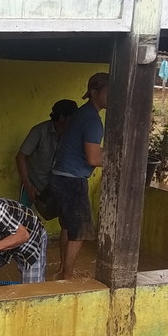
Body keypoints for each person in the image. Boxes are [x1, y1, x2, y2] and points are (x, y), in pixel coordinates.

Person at [49, 72, 109, 280]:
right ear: (94, 93)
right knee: (80, 230)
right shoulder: (93, 120)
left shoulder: (82, 114)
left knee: (68, 225)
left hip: (59, 176)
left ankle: (61, 271)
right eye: (109, 91)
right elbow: (93, 158)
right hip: (72, 179)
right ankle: (67, 274)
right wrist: (119, 161)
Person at [15, 99, 79, 218]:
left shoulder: (72, 134)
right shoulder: (39, 131)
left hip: (56, 184)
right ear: (61, 118)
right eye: (72, 118)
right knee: (23, 218)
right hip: (33, 183)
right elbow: (20, 157)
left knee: (65, 218)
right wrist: (28, 185)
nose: (76, 121)